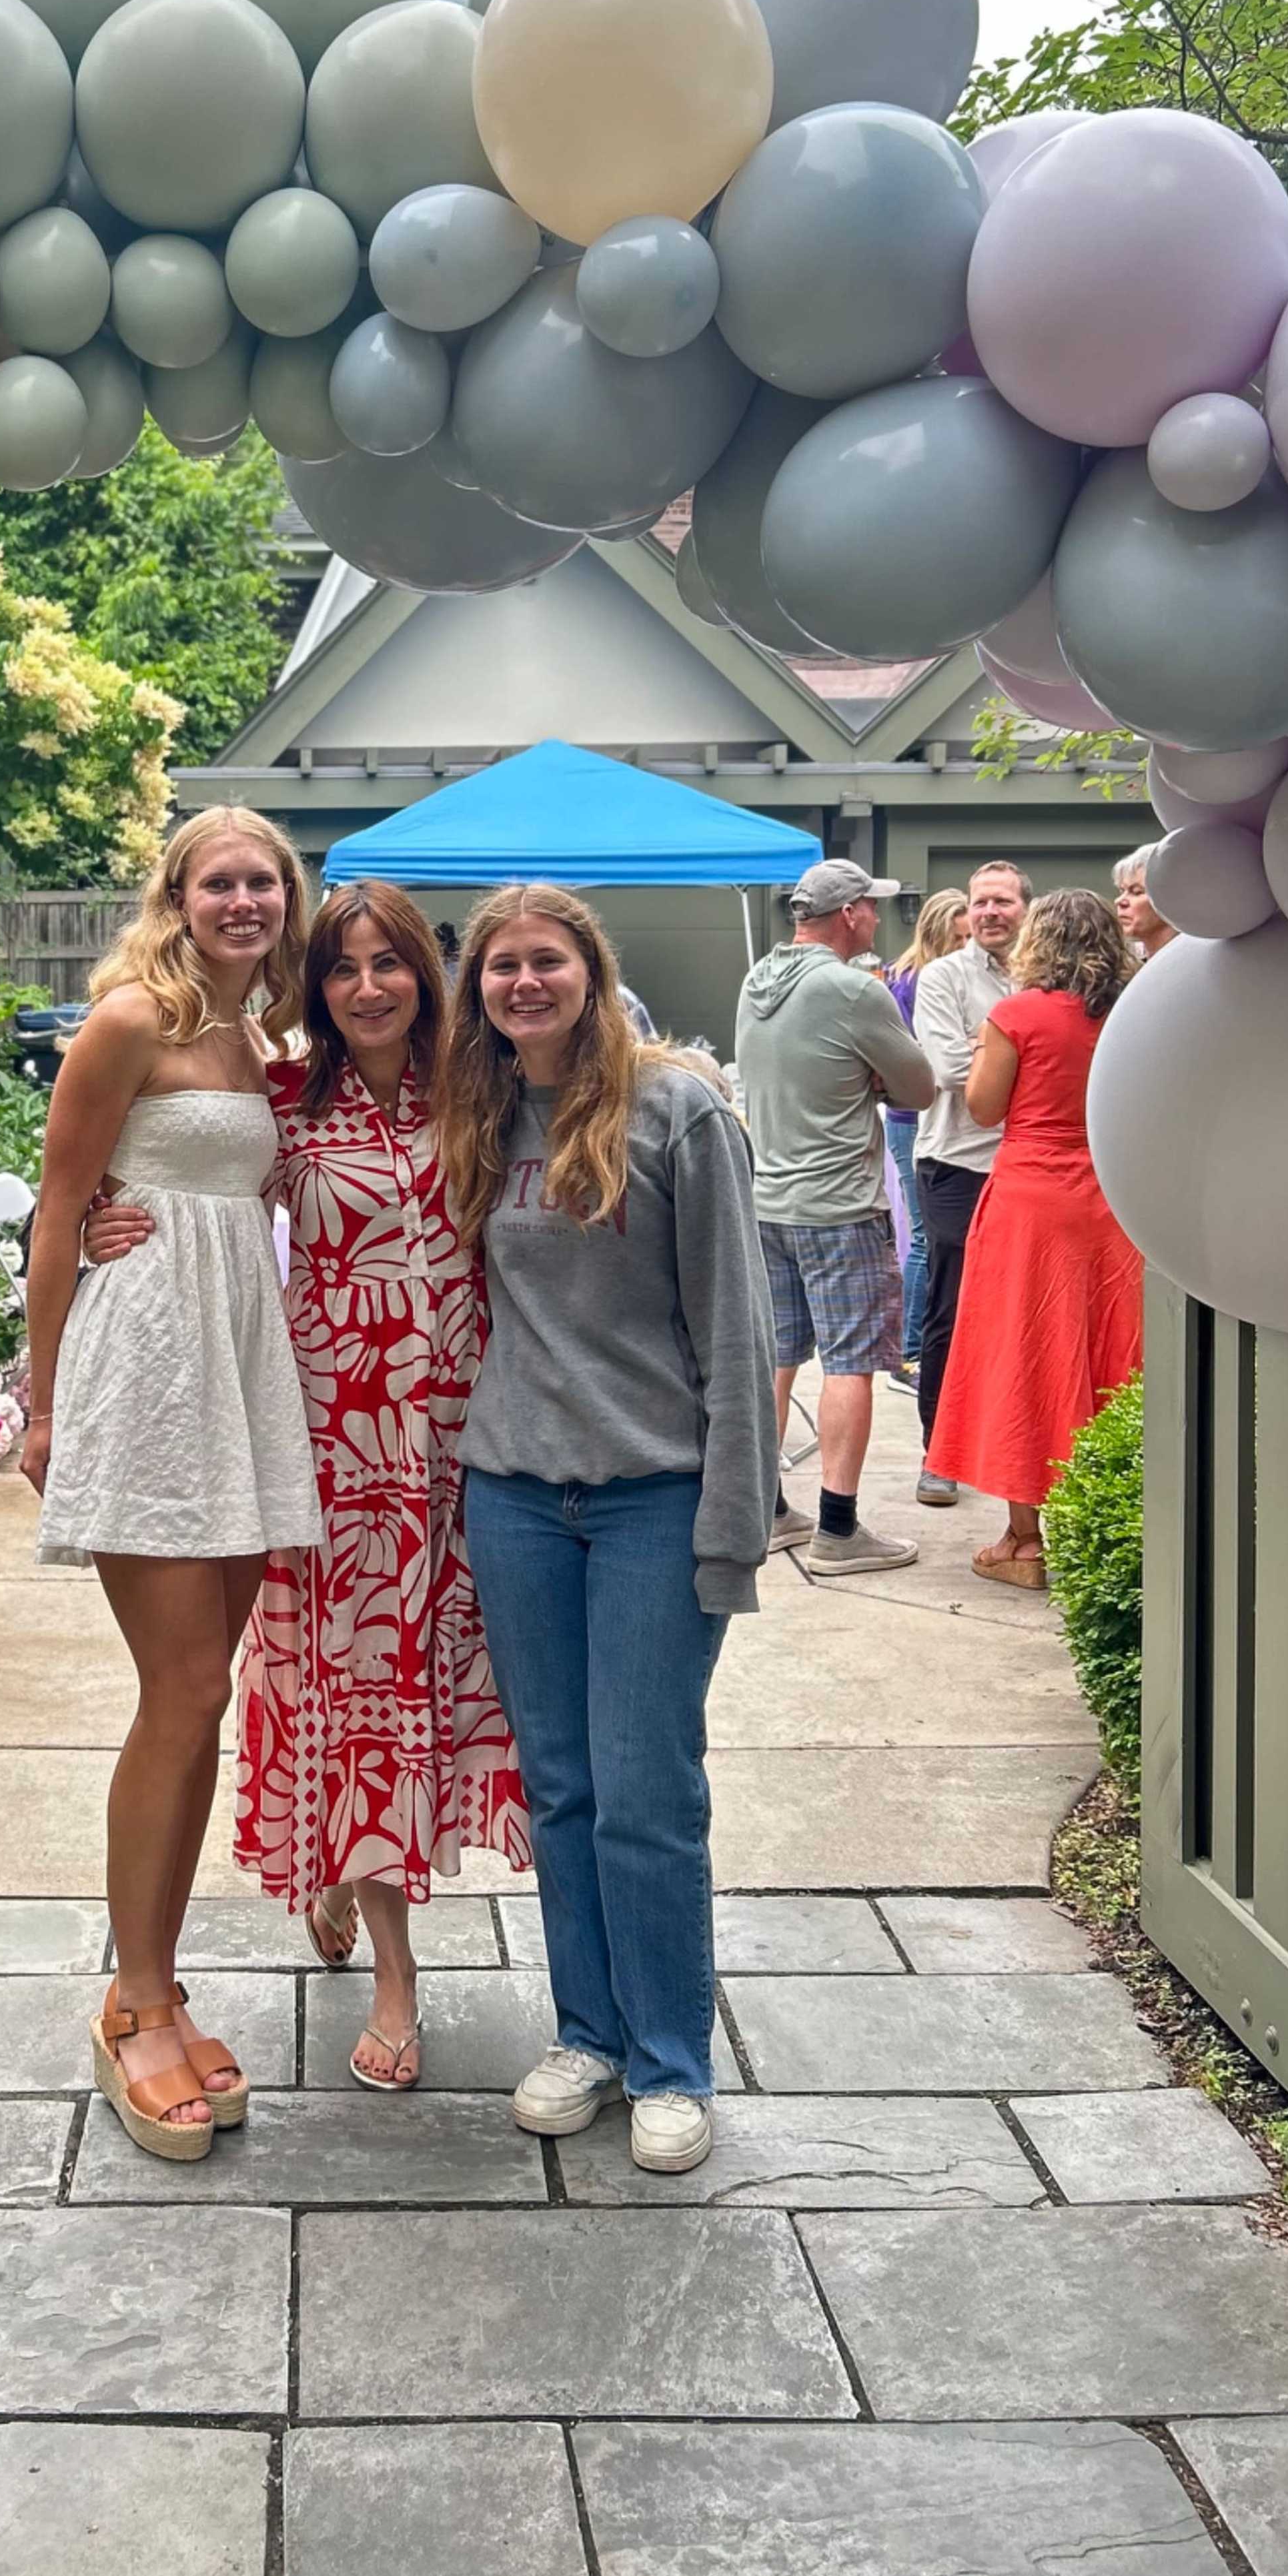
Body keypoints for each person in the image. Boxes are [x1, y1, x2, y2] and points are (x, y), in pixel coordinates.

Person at [85, 879, 532, 2090]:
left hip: (457, 1441)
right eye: (345, 967)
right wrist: (98, 1223)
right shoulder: (287, 1097)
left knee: (433, 1679)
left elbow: (587, 1099)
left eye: (392, 963)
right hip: (326, 1437)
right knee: (359, 1683)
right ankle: (396, 1977)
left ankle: (345, 1867)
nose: (371, 985)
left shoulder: (483, 1094)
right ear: (317, 987)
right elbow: (176, 1171)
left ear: (423, 978)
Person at [444, 883, 778, 2174]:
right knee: (567, 1790)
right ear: (478, 991)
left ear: (591, 969)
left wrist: (731, 1527)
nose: (523, 984)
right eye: (500, 967)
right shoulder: (477, 1115)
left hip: (652, 1498)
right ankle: (586, 2032)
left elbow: (738, 1332)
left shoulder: (680, 1108)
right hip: (515, 1495)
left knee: (650, 1792)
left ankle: (672, 2059)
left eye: (546, 962)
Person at [22, 807, 325, 2160]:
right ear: (180, 893)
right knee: (186, 1686)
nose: (245, 899)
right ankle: (133, 1999)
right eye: (223, 881)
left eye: (265, 880)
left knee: (203, 1693)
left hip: (239, 1364)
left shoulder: (270, 1033)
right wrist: (39, 1399)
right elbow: (56, 1198)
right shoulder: (131, 1020)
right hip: (147, 1357)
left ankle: (160, 1976)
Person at [925, 888, 1145, 1589]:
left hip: (1029, 1198)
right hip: (1111, 1197)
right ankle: (1105, 1525)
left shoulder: (1015, 1014)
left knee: (1026, 1353)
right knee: (1107, 1350)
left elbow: (985, 1107)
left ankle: (1025, 1540)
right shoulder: (1132, 1014)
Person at [734, 860, 936, 1575]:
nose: (878, 919)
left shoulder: (756, 981)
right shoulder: (855, 990)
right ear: (848, 913)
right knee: (852, 1363)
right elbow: (919, 1086)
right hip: (842, 1206)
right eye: (871, 908)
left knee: (777, 1358)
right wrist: (871, 1076)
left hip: (769, 1203)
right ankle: (840, 1528)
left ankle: (763, 1511)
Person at [908, 858, 1030, 1504]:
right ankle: (938, 1455)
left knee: (1021, 1314)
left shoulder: (1043, 973)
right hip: (957, 1162)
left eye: (1002, 901)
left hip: (1026, 1163)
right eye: (980, 901)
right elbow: (949, 1064)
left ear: (1024, 908)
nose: (989, 911)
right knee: (951, 1311)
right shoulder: (943, 976)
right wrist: (1034, 1070)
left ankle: (1009, 1452)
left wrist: (1002, 1059)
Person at [886, 891, 966, 1375]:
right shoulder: (917, 982)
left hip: (916, 1117)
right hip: (915, 1117)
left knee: (924, 1233)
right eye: (959, 936)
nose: (967, 944)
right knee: (922, 1235)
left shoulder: (902, 975)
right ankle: (912, 1348)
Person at [1115, 845, 1177, 963]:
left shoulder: (1193, 961)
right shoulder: (1124, 965)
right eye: (1122, 891)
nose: (1119, 901)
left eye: (1137, 892)